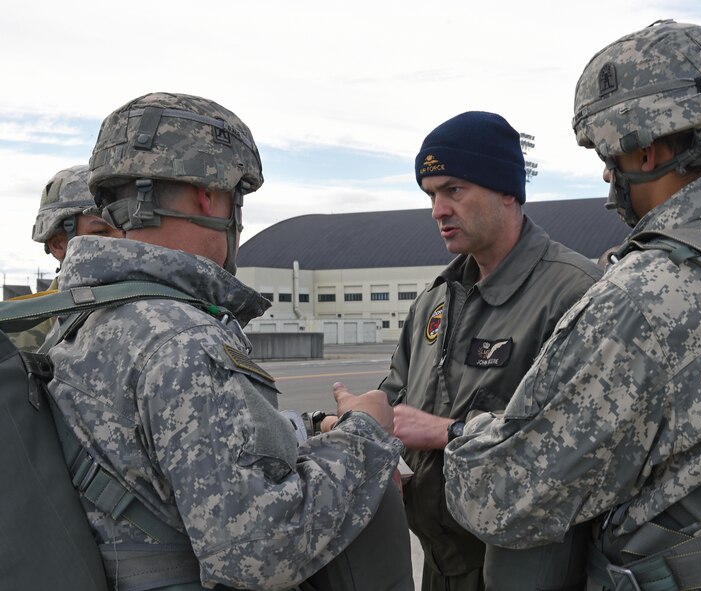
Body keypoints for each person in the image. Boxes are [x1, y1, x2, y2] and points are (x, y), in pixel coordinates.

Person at [444, 20, 701, 591]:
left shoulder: (643, 299)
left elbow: (503, 499)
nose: (606, 175)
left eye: (608, 152)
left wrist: (461, 435)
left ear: (648, 151)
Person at [47, 92, 411, 591]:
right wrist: (367, 431)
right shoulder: (181, 340)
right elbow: (260, 550)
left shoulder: (77, 320)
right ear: (210, 196)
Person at [379, 111, 603, 590]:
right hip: (443, 567)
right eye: (431, 195)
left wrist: (448, 432)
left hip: (529, 572)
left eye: (453, 190)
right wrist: (366, 427)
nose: (437, 210)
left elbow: (581, 449)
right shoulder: (435, 302)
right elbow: (396, 398)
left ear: (508, 192)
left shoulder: (574, 293)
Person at [10, 165, 123, 351]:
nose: (122, 242)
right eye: (101, 232)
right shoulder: (17, 334)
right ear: (58, 245)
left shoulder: (156, 314)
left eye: (127, 229)